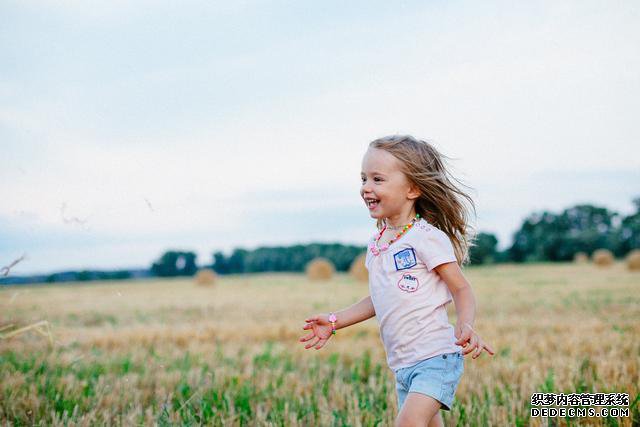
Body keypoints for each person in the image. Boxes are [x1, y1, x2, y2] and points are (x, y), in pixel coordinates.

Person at [299, 135, 495, 427]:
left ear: (413, 189)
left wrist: (465, 325)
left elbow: (460, 288)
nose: (366, 187)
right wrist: (334, 320)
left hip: (435, 358)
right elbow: (378, 298)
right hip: (403, 364)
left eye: (378, 179)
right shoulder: (378, 243)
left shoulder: (427, 238)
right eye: (364, 178)